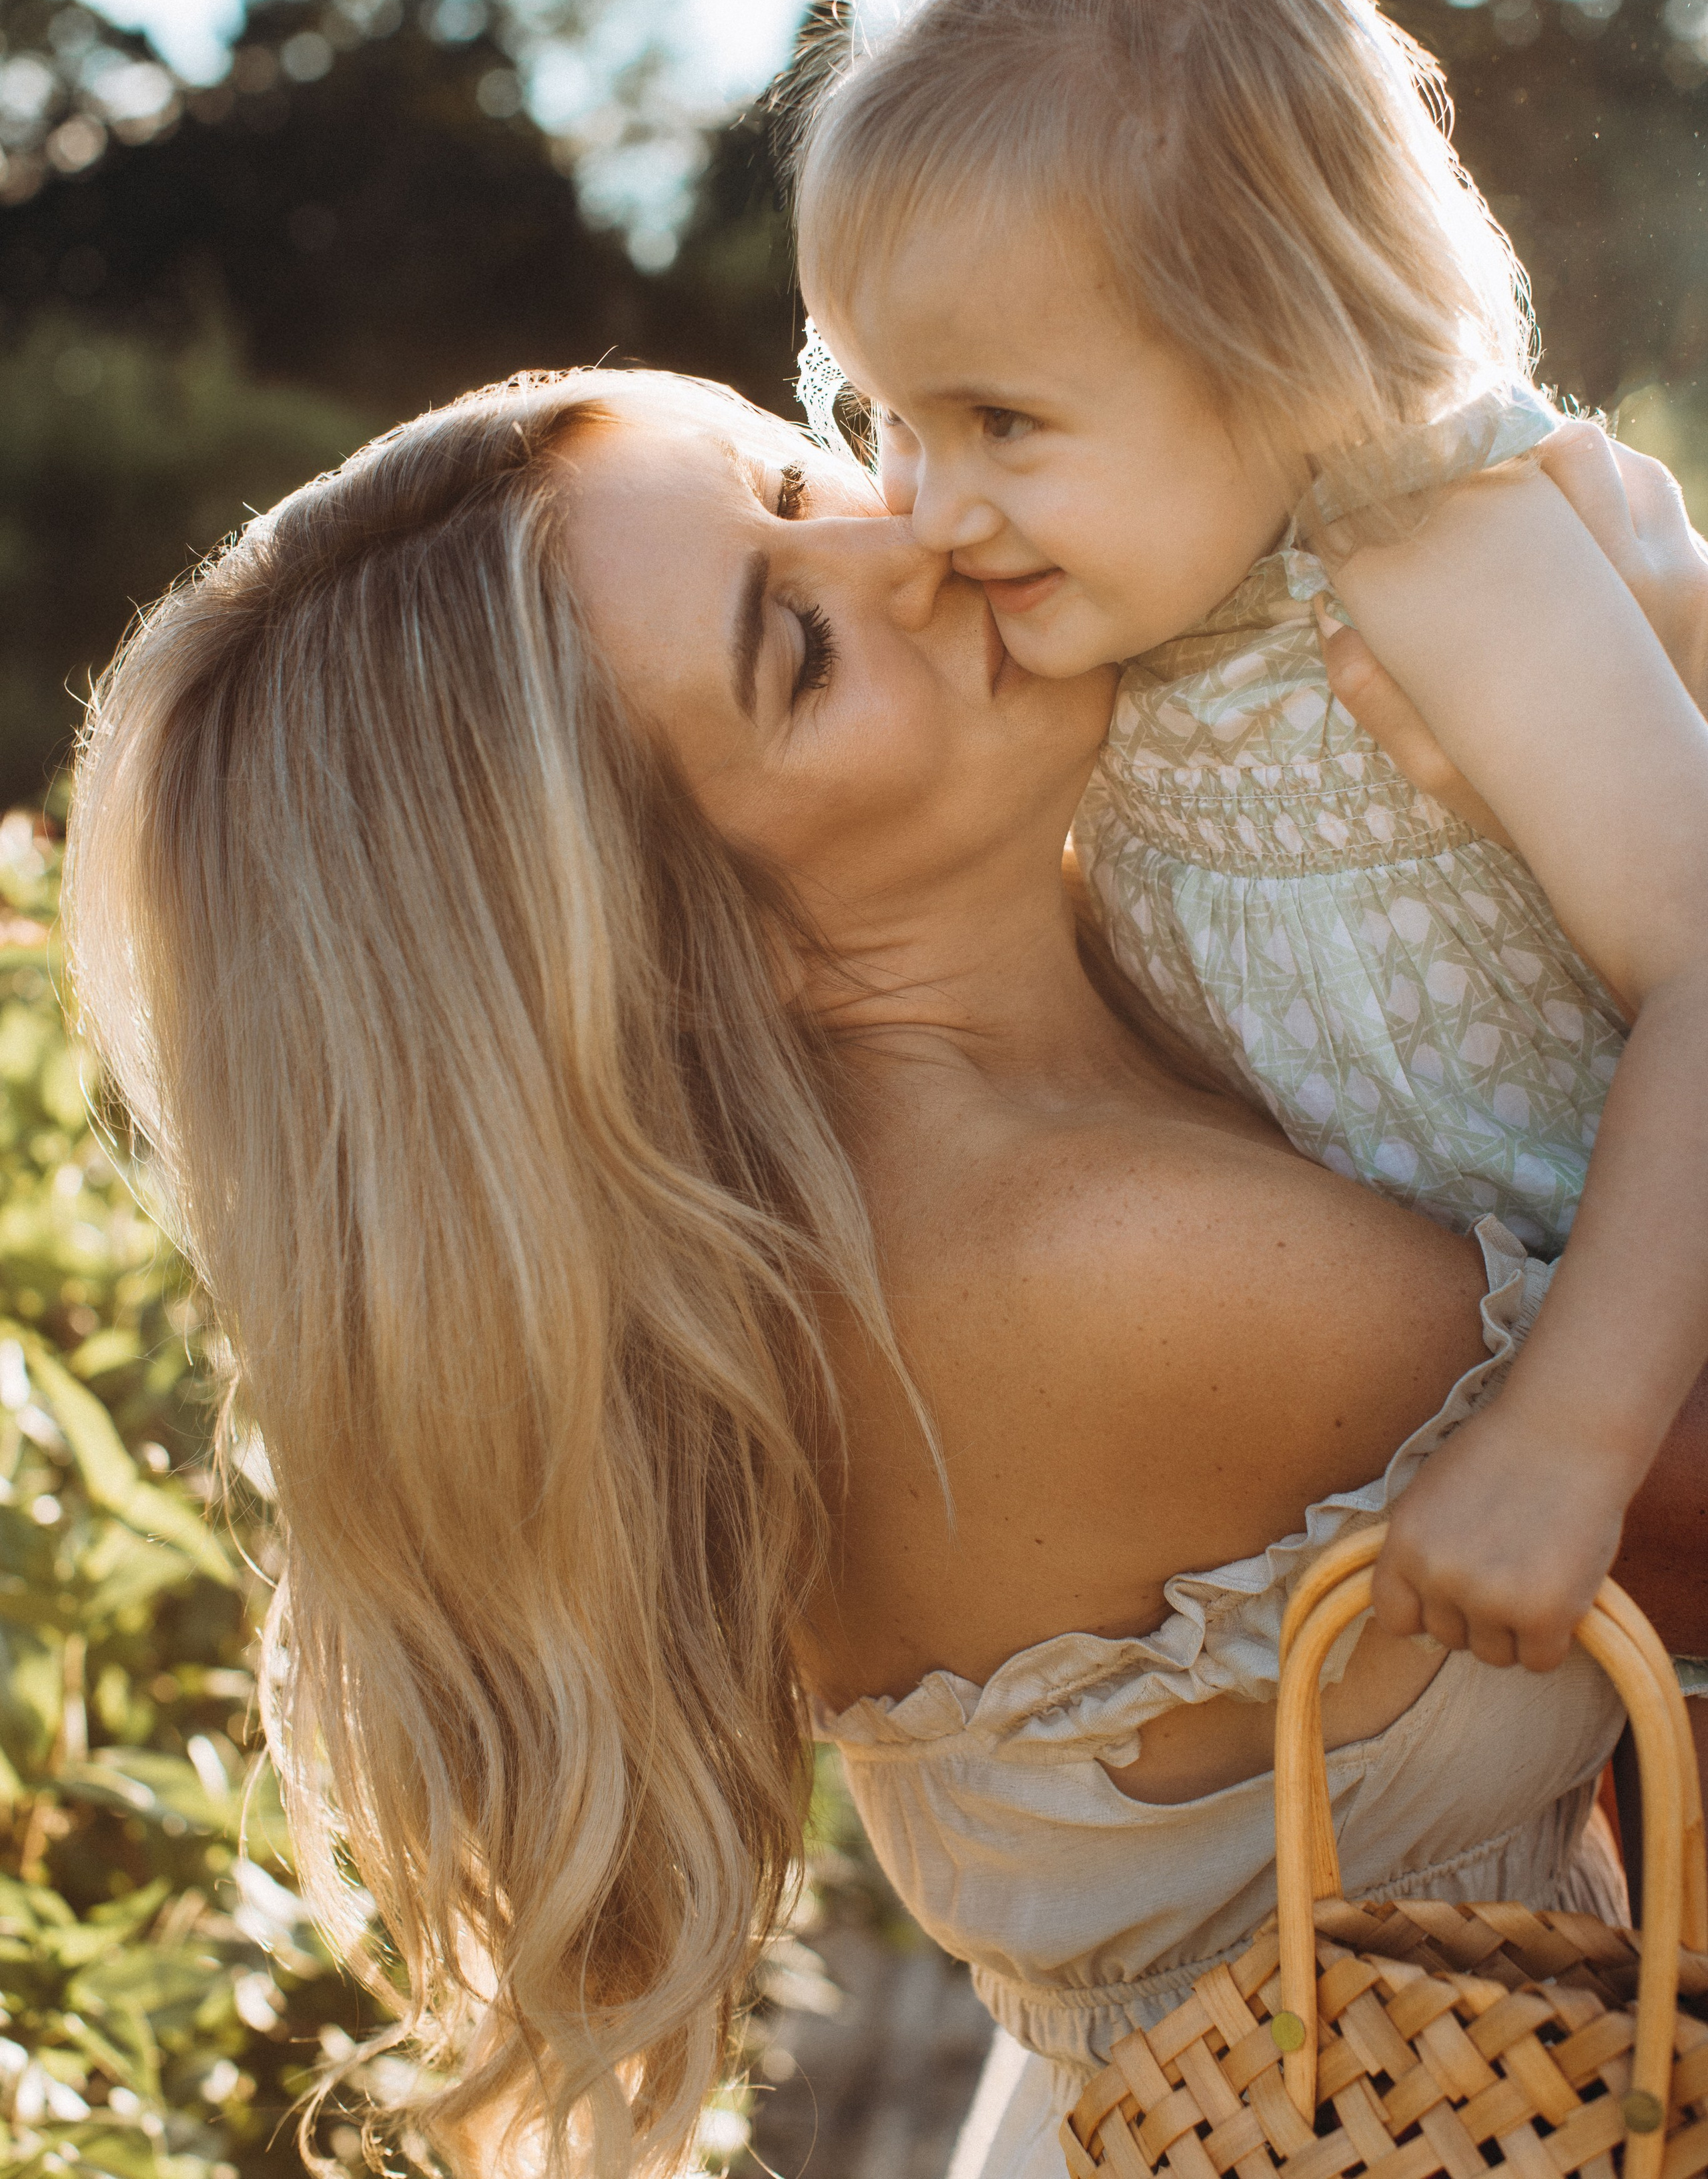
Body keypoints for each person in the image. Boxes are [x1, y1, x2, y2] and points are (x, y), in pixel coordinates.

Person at [61, 368, 1708, 2179]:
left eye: (801, 475)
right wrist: (1656, 697)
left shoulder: (1082, 1037)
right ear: (687, 948)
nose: (913, 542)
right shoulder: (1075, 1268)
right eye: (798, 646)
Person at [791, 0, 1708, 1679]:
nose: (927, 501)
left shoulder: (1432, 552)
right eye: (891, 415)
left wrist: (1571, 1436)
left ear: (1269, 352)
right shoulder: (1103, 633)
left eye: (1002, 422)